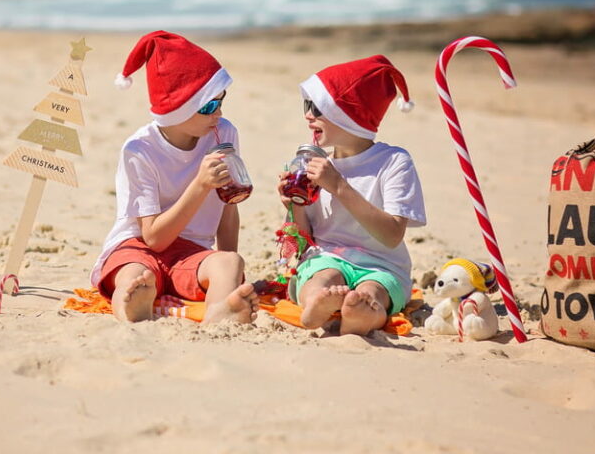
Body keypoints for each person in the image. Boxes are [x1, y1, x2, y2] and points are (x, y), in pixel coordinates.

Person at [91, 30, 259, 324]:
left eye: (221, 100)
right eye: (208, 106)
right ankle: (131, 307)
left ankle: (221, 312)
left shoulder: (225, 134)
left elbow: (227, 211)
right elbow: (153, 238)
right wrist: (200, 184)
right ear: (178, 108)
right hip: (137, 245)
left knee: (230, 262)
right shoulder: (140, 150)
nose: (218, 113)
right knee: (134, 274)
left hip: (190, 253)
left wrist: (227, 273)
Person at [277, 55, 426, 335]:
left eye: (317, 108)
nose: (308, 115)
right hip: (327, 256)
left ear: (348, 117)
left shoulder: (394, 162)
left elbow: (392, 235)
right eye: (307, 106)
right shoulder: (314, 165)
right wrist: (293, 204)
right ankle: (315, 307)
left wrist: (339, 187)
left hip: (383, 263)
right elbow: (303, 240)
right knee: (323, 276)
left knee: (375, 289)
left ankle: (362, 313)